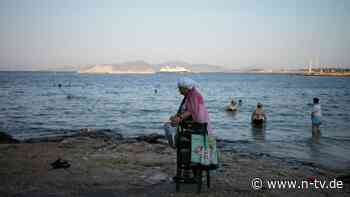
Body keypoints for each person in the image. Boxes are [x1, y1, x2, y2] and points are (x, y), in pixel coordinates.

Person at [164, 77, 213, 148]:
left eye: (180, 88)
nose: (179, 90)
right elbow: (185, 109)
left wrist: (179, 118)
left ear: (185, 88)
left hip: (197, 125)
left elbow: (191, 110)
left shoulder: (194, 95)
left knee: (168, 127)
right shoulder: (190, 95)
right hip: (192, 124)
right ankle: (175, 145)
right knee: (168, 126)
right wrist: (176, 116)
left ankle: (175, 145)